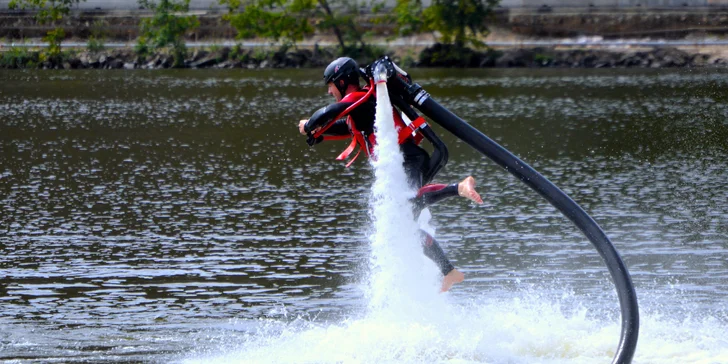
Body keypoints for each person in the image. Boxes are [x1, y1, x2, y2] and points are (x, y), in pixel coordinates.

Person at [297, 57, 482, 292]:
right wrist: (317, 133)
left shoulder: (360, 98)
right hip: (405, 161)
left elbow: (330, 112)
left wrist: (310, 123)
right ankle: (449, 272)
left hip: (407, 158)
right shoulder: (360, 109)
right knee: (405, 225)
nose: (329, 91)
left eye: (331, 85)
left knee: (405, 203)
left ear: (342, 82)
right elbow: (344, 126)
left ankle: (459, 187)